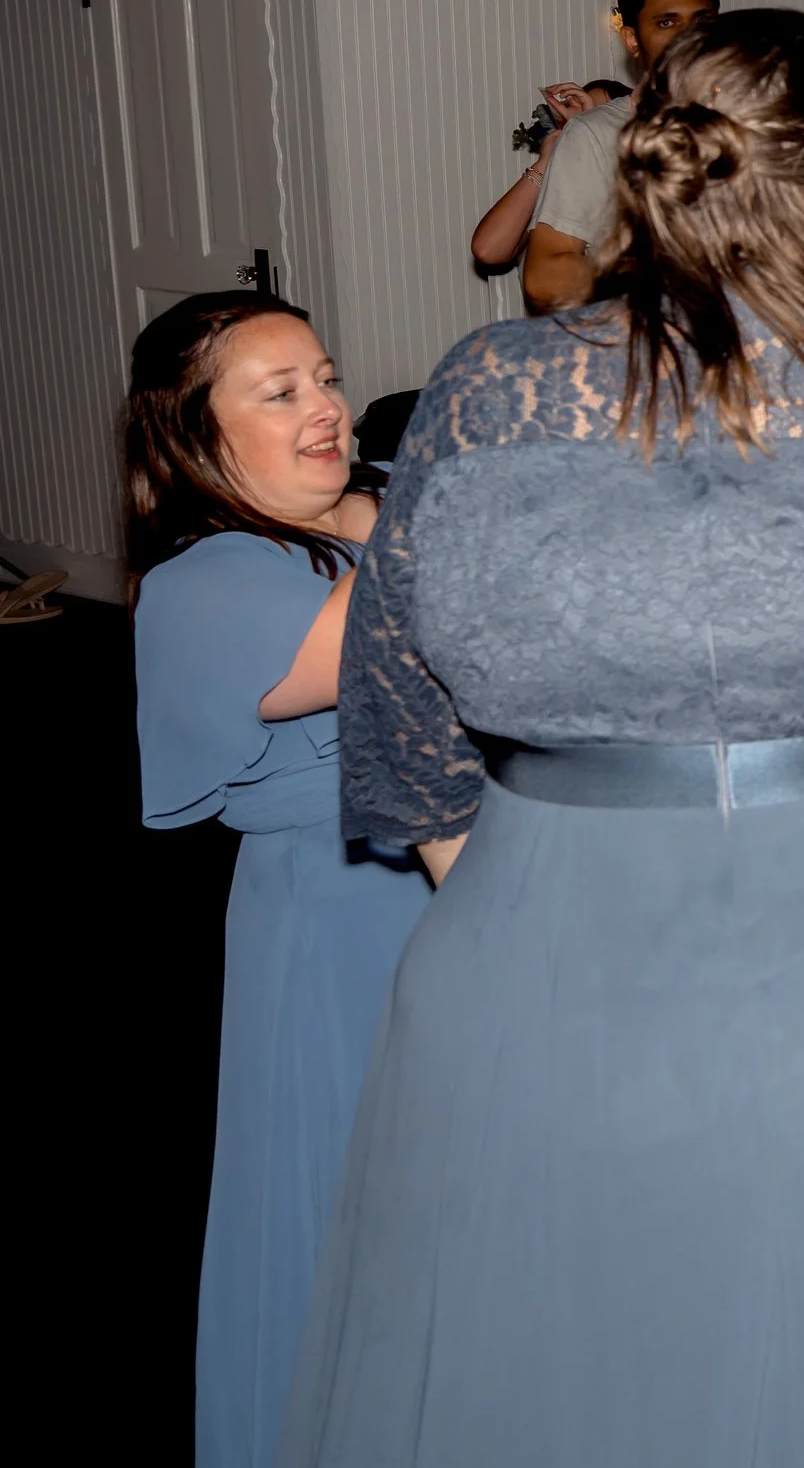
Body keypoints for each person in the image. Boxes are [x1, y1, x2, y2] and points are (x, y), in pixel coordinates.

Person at [281, 12, 804, 1468]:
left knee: (570, 1384)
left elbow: (401, 715)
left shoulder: (482, 397)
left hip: (538, 972)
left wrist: (540, 892)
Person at [126, 293, 432, 1468]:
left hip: (463, 897)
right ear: (198, 437)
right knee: (350, 1220)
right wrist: (437, 487)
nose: (327, 406)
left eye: (326, 375)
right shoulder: (203, 580)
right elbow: (373, 647)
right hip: (339, 923)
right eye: (281, 390)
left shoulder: (381, 514)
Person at [521, 0, 721, 312]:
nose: (688, 36)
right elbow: (544, 277)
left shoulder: (755, 122)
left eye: (701, 20)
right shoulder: (596, 134)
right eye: (666, 22)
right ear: (632, 38)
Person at [469, 80, 628, 273]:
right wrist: (552, 156)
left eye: (599, 116)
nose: (588, 127)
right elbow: (488, 249)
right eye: (582, 118)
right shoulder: (558, 189)